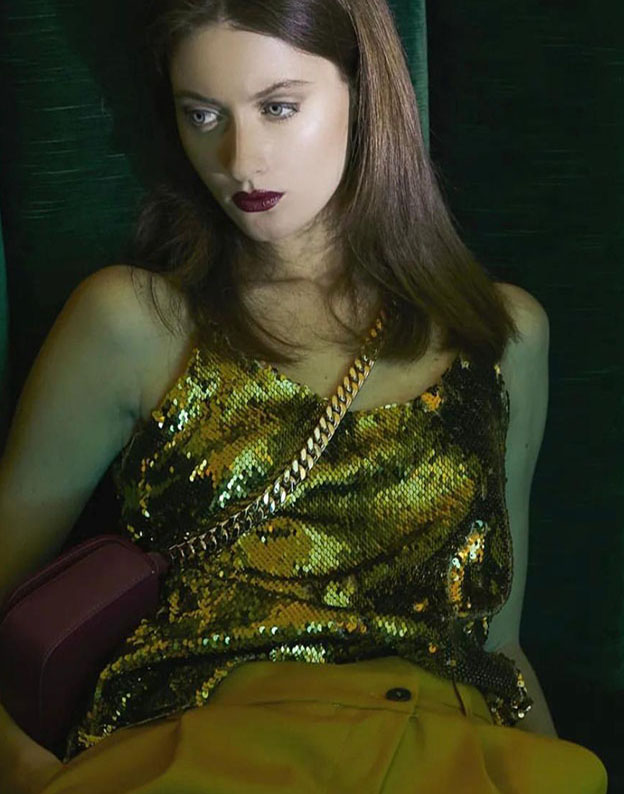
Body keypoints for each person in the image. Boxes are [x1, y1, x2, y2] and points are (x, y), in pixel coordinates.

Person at [0, 1, 609, 792]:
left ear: (364, 93)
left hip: (443, 750)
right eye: (203, 115)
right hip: (202, 757)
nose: (240, 159)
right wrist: (24, 771)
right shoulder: (135, 322)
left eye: (279, 107)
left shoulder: (503, 336)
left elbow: (499, 644)